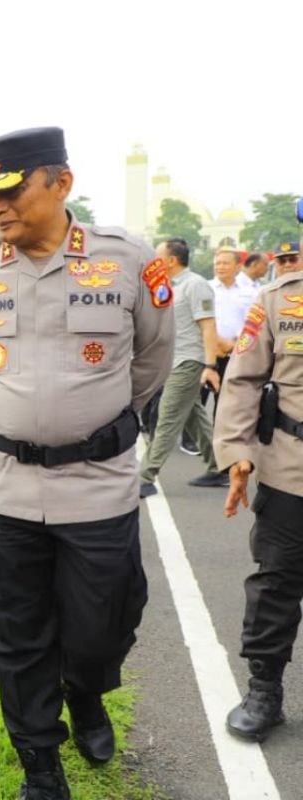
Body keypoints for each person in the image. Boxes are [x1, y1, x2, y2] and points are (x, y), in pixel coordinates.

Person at [0, 127, 173, 799]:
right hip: (2, 487)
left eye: (11, 191)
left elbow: (153, 358)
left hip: (95, 487)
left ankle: (87, 691)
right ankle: (40, 763)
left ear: (61, 183)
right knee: (19, 634)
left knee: (103, 627)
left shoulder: (126, 260)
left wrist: (86, 424)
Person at [214, 239, 303, 743]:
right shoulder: (277, 299)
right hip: (292, 464)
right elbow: (244, 380)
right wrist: (236, 451)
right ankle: (264, 689)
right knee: (277, 580)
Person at [137, 237, 228, 497]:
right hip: (171, 361)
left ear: (171, 260)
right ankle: (219, 467)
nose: (153, 260)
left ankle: (145, 477)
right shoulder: (165, 286)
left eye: (158, 256)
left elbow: (208, 326)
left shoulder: (195, 285)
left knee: (166, 417)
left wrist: (210, 364)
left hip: (190, 361)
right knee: (194, 418)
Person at [209, 245, 258, 395]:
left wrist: (235, 344)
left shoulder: (250, 293)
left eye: (225, 263)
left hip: (237, 353)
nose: (220, 267)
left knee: (227, 401)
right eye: (218, 263)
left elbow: (254, 323)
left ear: (238, 266)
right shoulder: (205, 288)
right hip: (208, 352)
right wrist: (217, 342)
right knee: (196, 402)